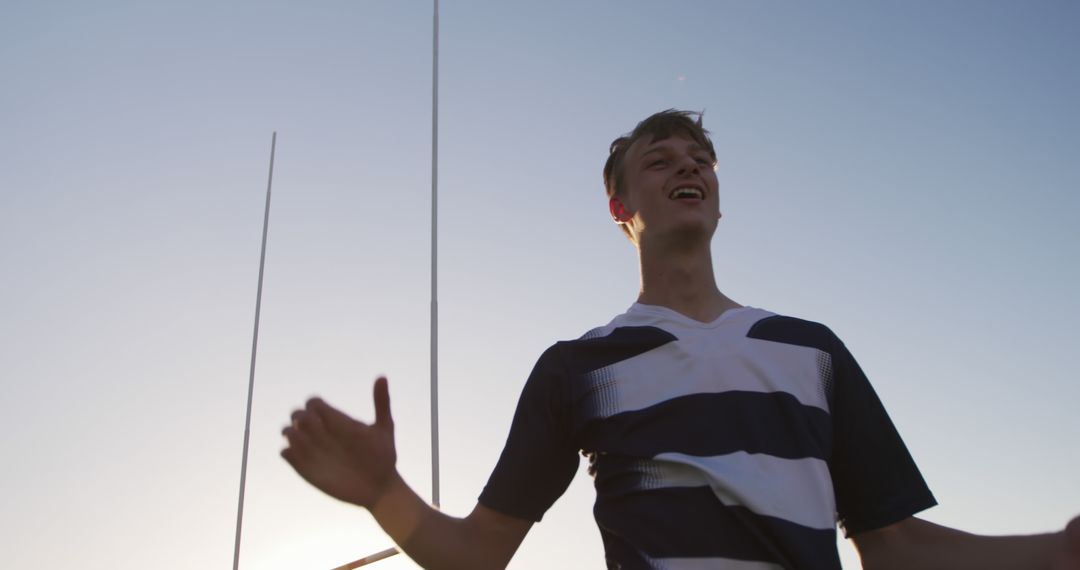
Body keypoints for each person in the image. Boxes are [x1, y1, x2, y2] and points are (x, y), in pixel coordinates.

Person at [281, 110, 1080, 569]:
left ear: (719, 200)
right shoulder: (577, 370)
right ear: (620, 207)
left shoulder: (813, 352)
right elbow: (482, 551)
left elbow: (898, 547)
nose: (685, 168)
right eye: (657, 161)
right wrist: (386, 494)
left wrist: (1060, 548)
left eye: (699, 160)